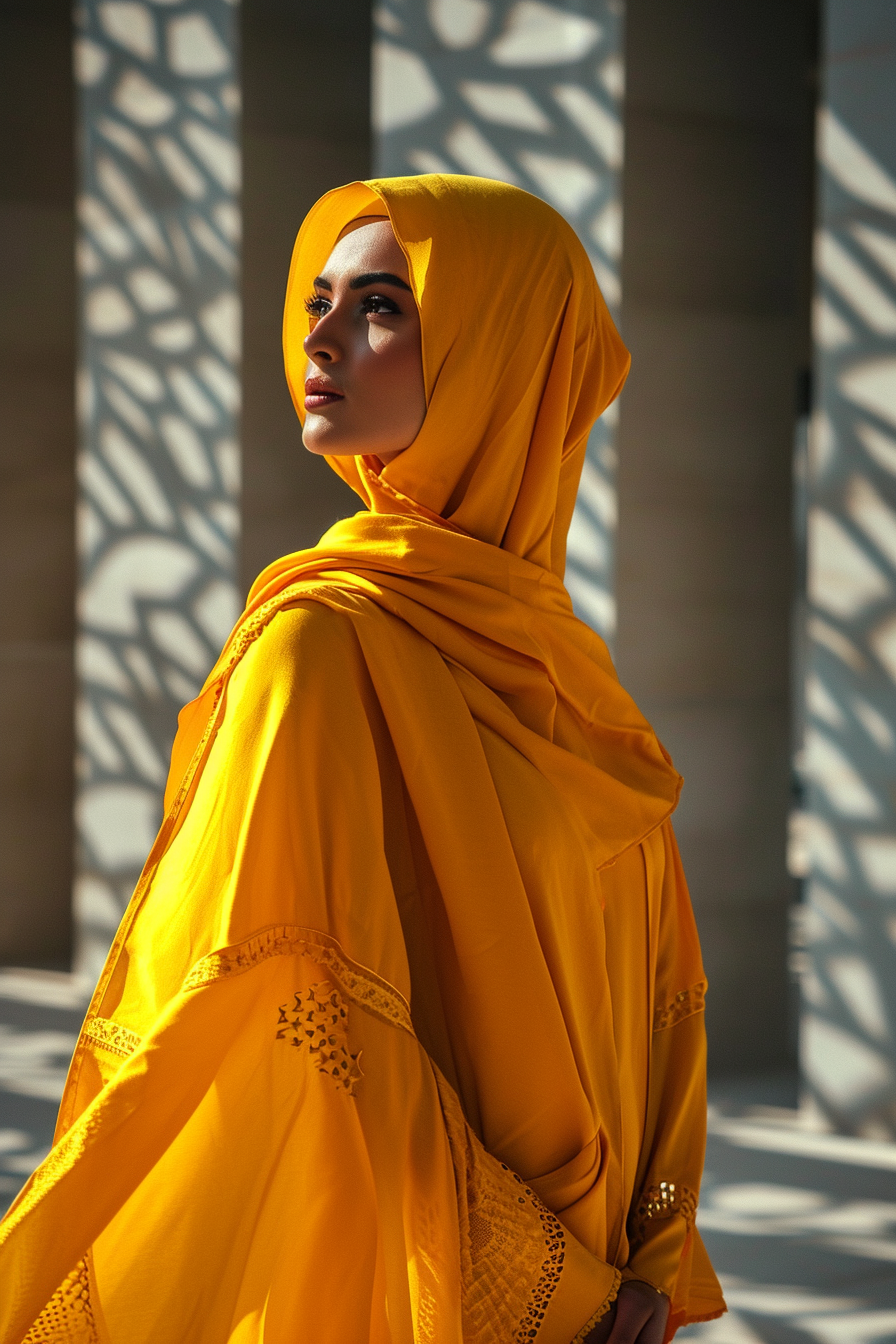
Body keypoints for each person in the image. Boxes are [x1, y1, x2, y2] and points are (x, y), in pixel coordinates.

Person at [0, 175, 725, 1344]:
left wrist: (649, 1251)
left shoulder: (570, 681)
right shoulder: (317, 645)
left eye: (380, 306)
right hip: (417, 1290)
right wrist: (549, 1292)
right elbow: (284, 1006)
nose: (320, 337)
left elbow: (660, 1011)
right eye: (318, 304)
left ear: (510, 359)